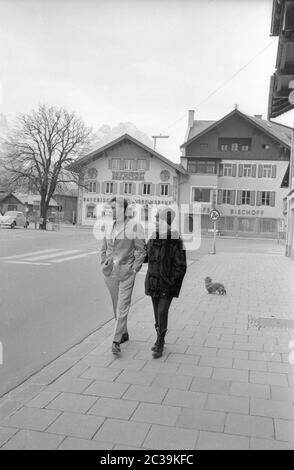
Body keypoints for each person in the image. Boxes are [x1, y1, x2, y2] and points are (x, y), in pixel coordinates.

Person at [100, 197, 146, 355]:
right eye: (110, 208)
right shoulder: (109, 226)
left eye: (115, 208)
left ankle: (116, 340)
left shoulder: (135, 226)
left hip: (126, 272)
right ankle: (124, 332)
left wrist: (134, 269)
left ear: (124, 210)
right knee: (116, 305)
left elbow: (141, 250)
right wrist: (103, 263)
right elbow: (104, 247)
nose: (112, 211)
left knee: (122, 306)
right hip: (110, 272)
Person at [145, 206, 187, 359]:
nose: (155, 223)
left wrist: (171, 282)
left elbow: (181, 266)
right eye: (155, 220)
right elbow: (145, 257)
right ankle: (158, 338)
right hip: (153, 282)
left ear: (167, 223)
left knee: (162, 311)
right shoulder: (153, 238)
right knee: (157, 313)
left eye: (158, 220)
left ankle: (160, 342)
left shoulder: (175, 241)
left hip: (166, 284)